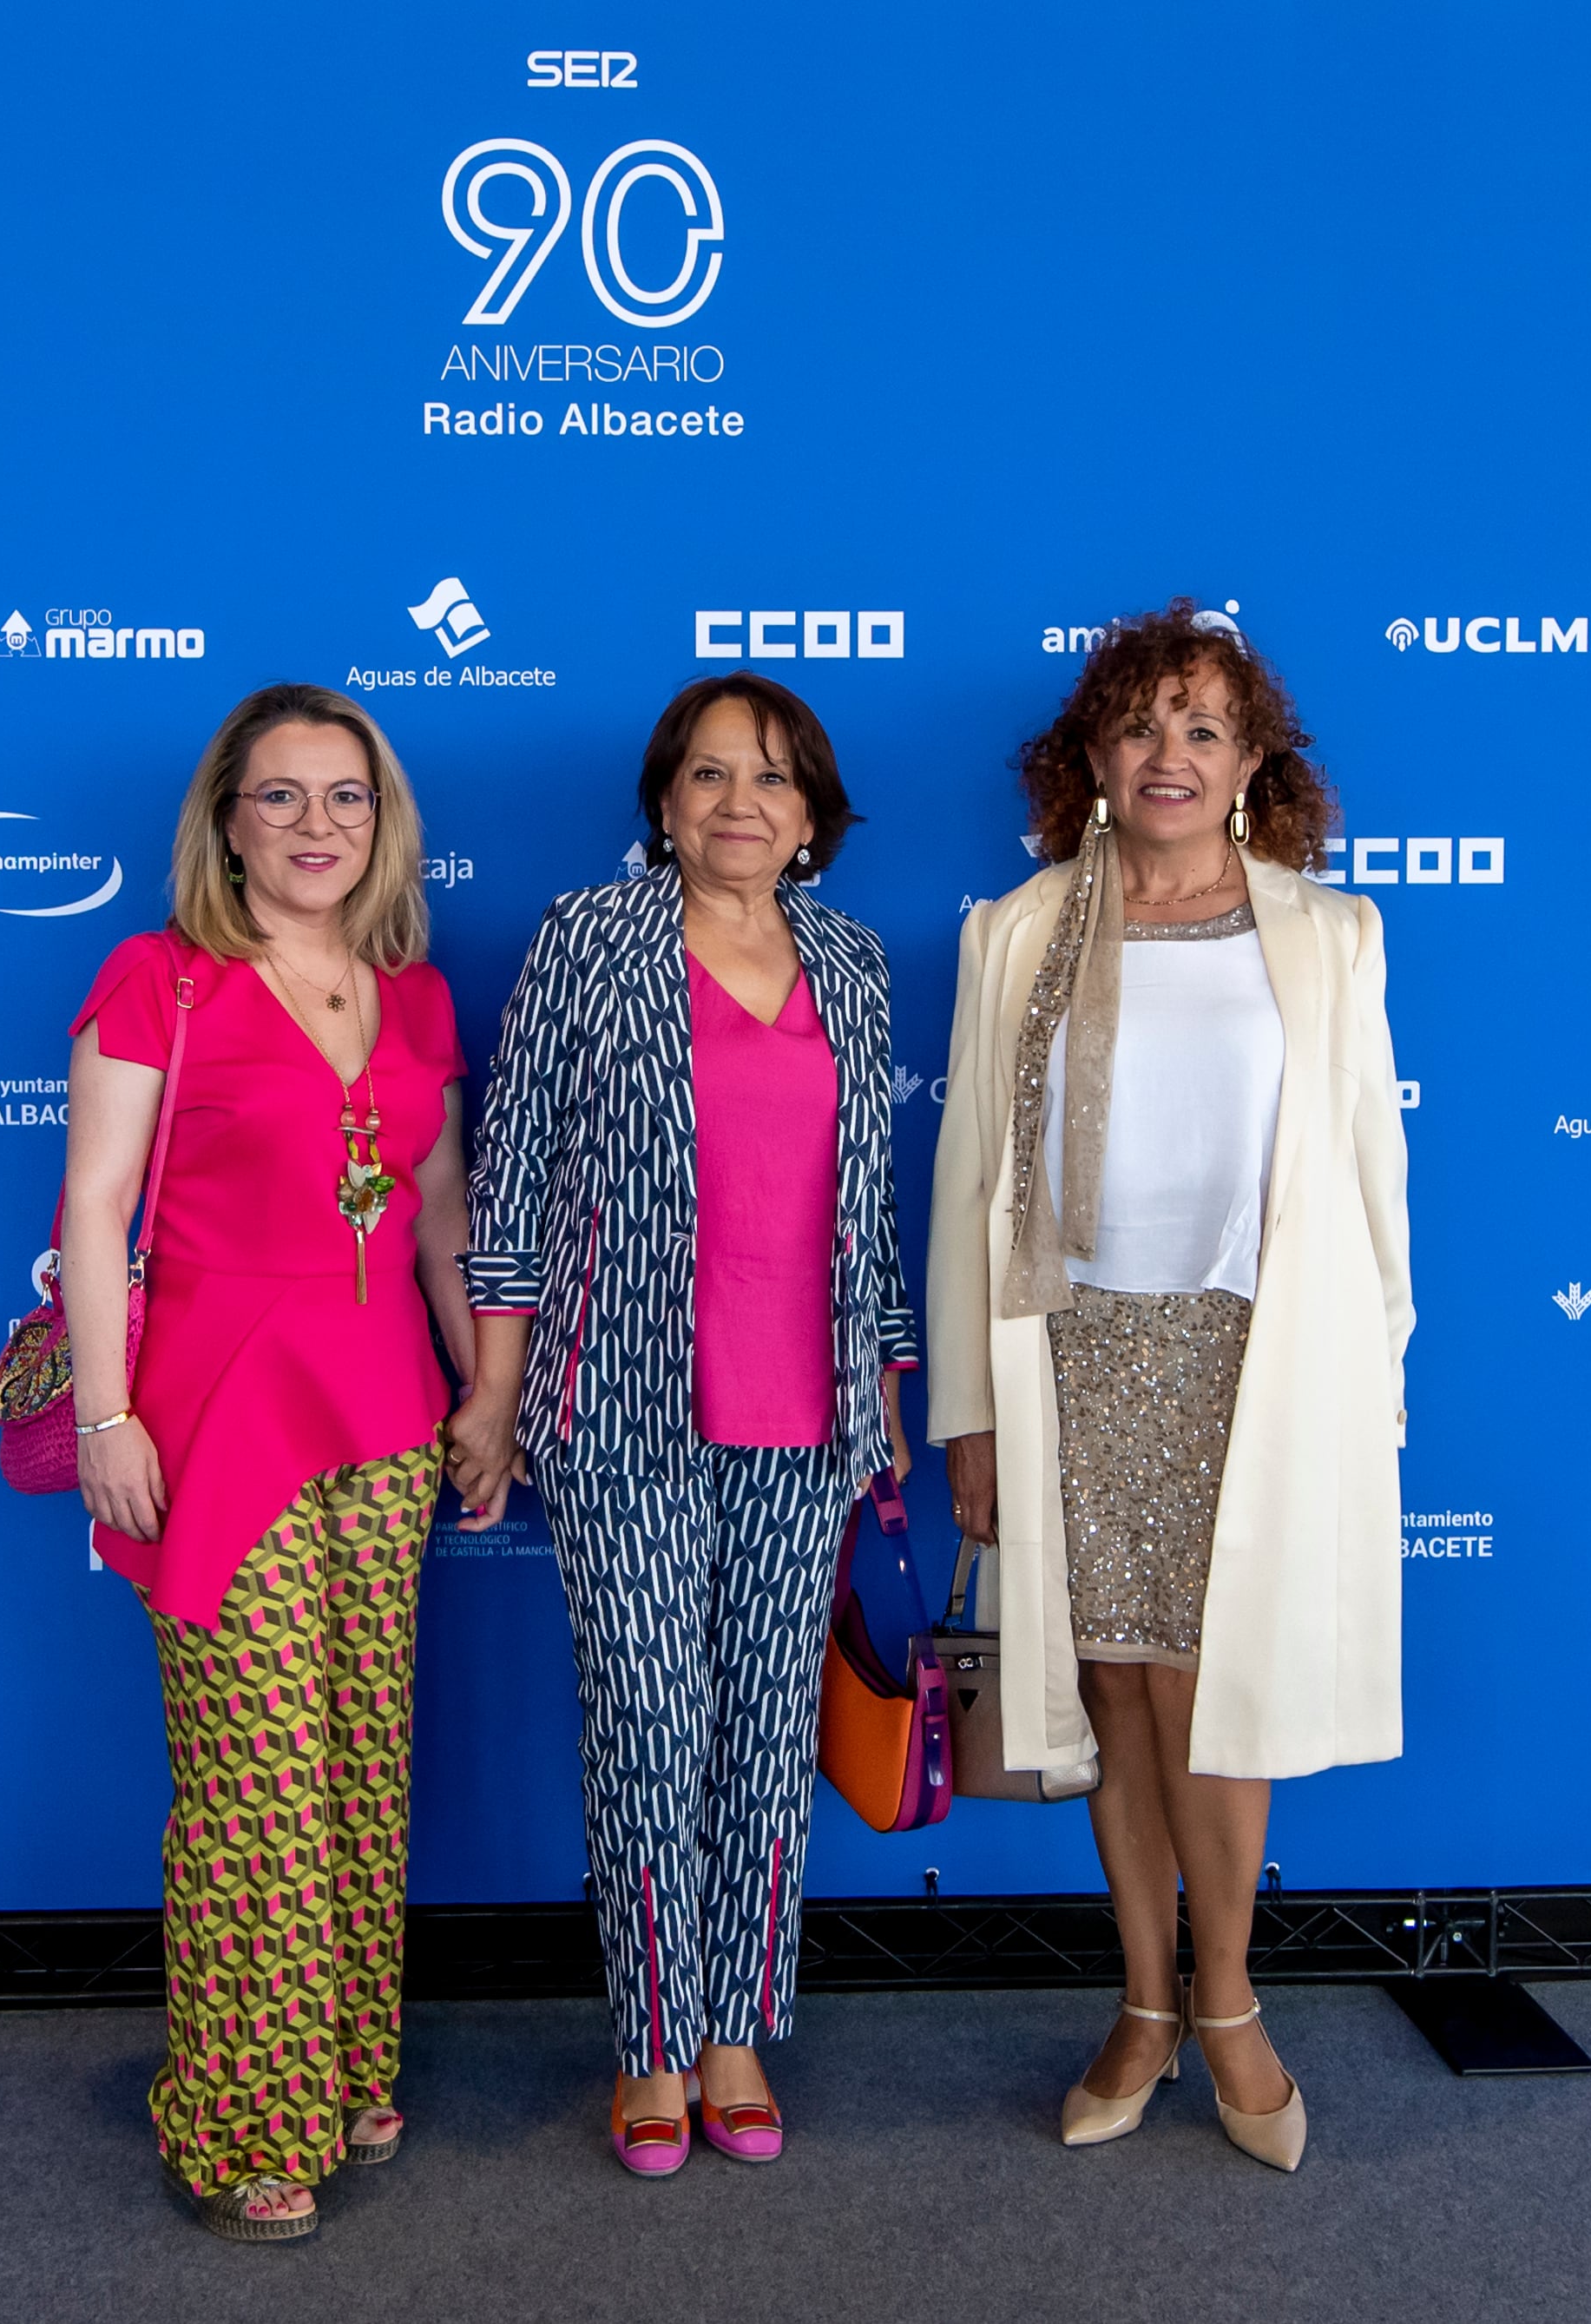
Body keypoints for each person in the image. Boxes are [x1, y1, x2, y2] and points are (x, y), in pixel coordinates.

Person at [925, 599, 1410, 2175]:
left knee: (1217, 1691)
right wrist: (968, 1414)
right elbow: (968, 1182)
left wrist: (1379, 1370)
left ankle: (1224, 2000)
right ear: (1090, 756)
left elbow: (1365, 1166)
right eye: (1140, 726)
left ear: (1254, 758)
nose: (1169, 755)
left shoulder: (1328, 933)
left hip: (1251, 1357)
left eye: (1203, 727)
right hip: (1069, 1346)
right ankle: (1141, 2002)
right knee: (1111, 1686)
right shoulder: (1014, 931)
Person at [443, 672, 917, 2178]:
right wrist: (496, 1389)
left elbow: (869, 1207)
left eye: (771, 780)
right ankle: (650, 2043)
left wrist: (888, 1382)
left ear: (811, 815)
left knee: (768, 1731)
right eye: (708, 776)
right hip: (621, 1405)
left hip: (810, 1409)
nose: (738, 805)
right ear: (663, 803)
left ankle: (738, 2029)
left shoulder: (851, 961)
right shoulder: (588, 943)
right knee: (651, 1725)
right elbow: (507, 1175)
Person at [58, 682, 477, 2242]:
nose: (318, 825)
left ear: (384, 821)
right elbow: (94, 1206)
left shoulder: (415, 995)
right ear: (224, 821)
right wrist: (110, 1415)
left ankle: (345, 2066)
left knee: (363, 1762)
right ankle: (241, 2110)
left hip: (384, 1419)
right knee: (252, 1784)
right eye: (283, 796)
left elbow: (437, 1217)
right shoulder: (157, 981)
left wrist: (478, 1392)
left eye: (346, 796)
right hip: (218, 1420)